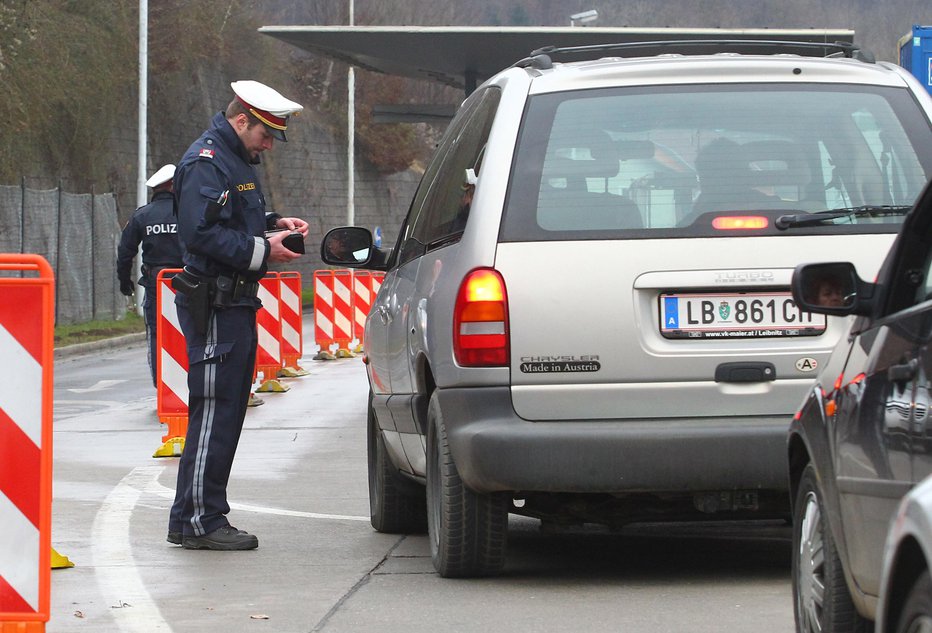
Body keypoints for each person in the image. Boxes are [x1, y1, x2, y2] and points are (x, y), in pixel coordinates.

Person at [167, 80, 308, 551]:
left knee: (222, 411)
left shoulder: (234, 160)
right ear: (241, 119)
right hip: (216, 303)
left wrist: (273, 225)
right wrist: (260, 250)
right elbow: (199, 234)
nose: (269, 144)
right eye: (265, 133)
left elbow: (230, 221)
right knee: (215, 411)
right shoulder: (207, 161)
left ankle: (190, 516)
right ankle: (203, 521)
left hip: (232, 300)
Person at [116, 164, 184, 387]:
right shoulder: (187, 213)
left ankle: (161, 383)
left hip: (157, 285)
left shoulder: (142, 216)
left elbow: (125, 252)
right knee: (193, 332)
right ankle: (189, 382)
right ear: (173, 185)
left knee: (158, 333)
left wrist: (125, 282)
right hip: (191, 282)